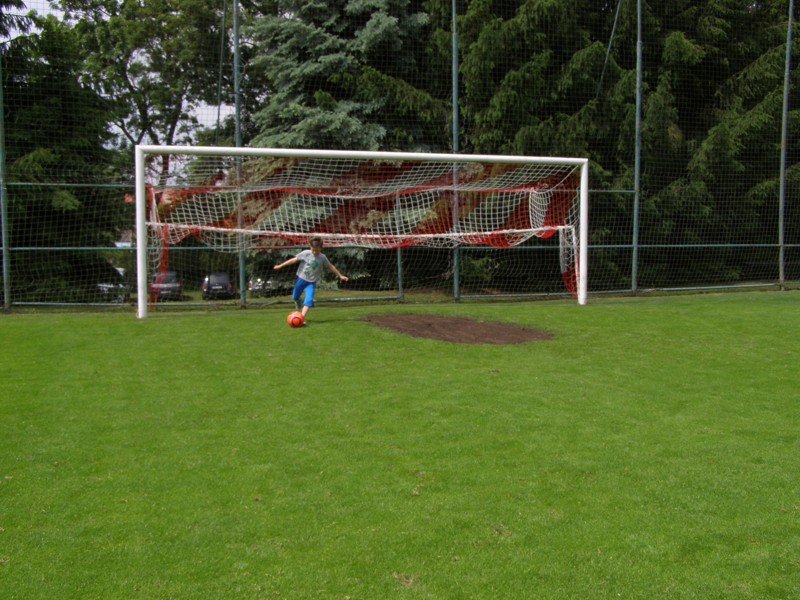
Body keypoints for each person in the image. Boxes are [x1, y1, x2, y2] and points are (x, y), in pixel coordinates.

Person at [273, 237, 349, 319]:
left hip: (311, 283)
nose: (315, 252)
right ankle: (298, 301)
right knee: (295, 296)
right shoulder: (306, 253)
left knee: (309, 300)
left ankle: (301, 318)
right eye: (313, 250)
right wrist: (280, 266)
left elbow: (330, 266)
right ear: (310, 247)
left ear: (321, 248)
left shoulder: (322, 257)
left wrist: (340, 275)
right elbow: (293, 260)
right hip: (301, 279)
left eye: (317, 250)